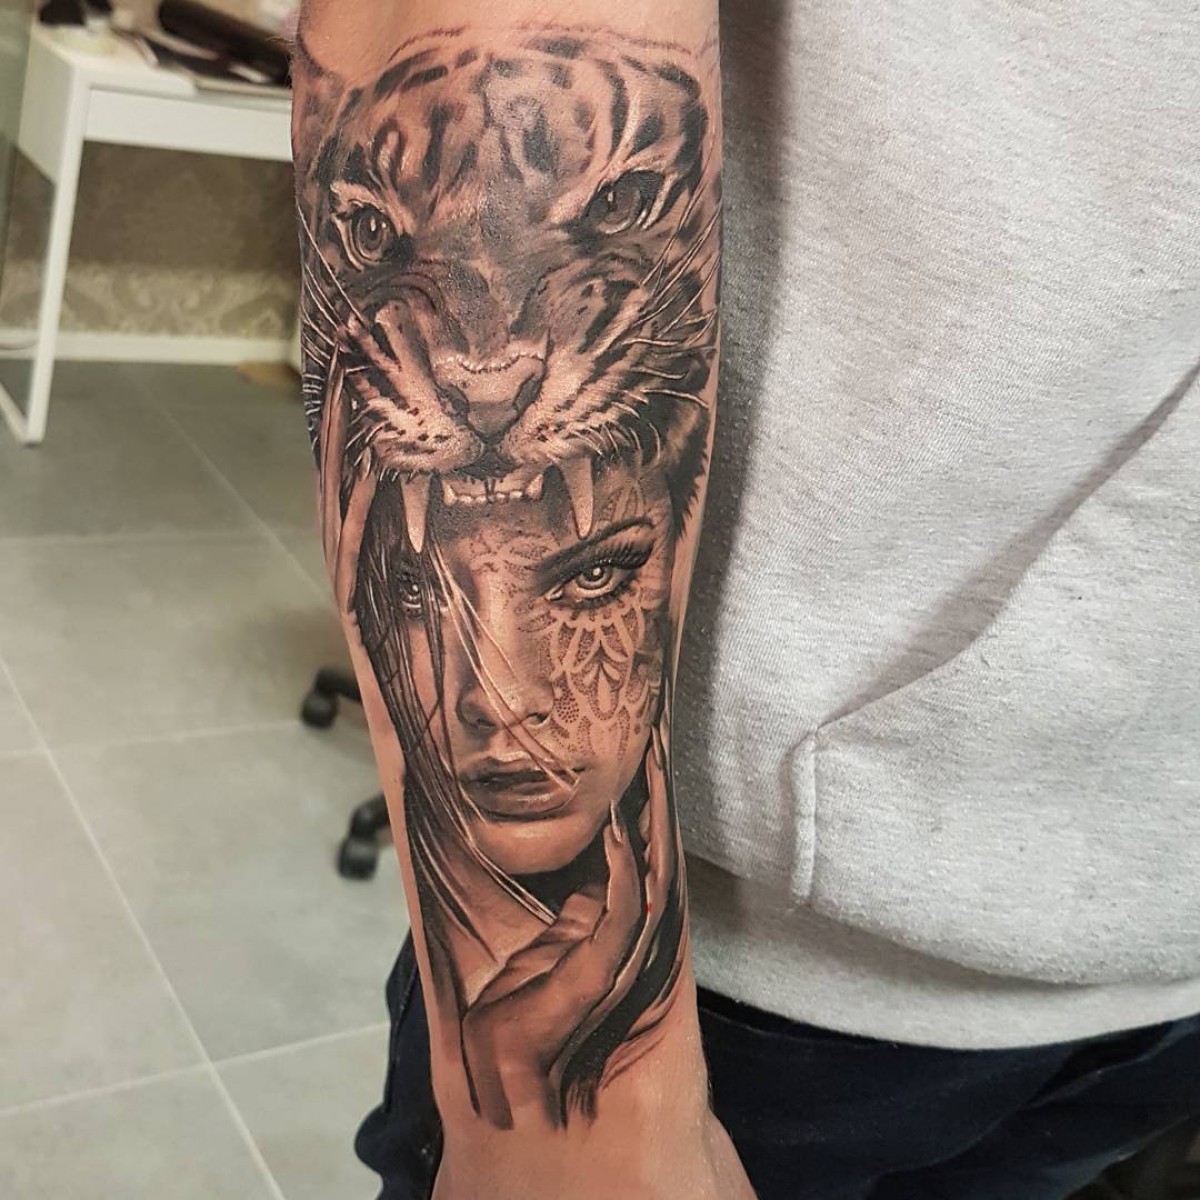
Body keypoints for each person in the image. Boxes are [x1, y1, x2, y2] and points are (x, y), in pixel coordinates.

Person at [290, 0, 1200, 1197]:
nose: (486, 364)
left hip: (1155, 969)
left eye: (617, 200)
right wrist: (573, 1106)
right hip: (745, 990)